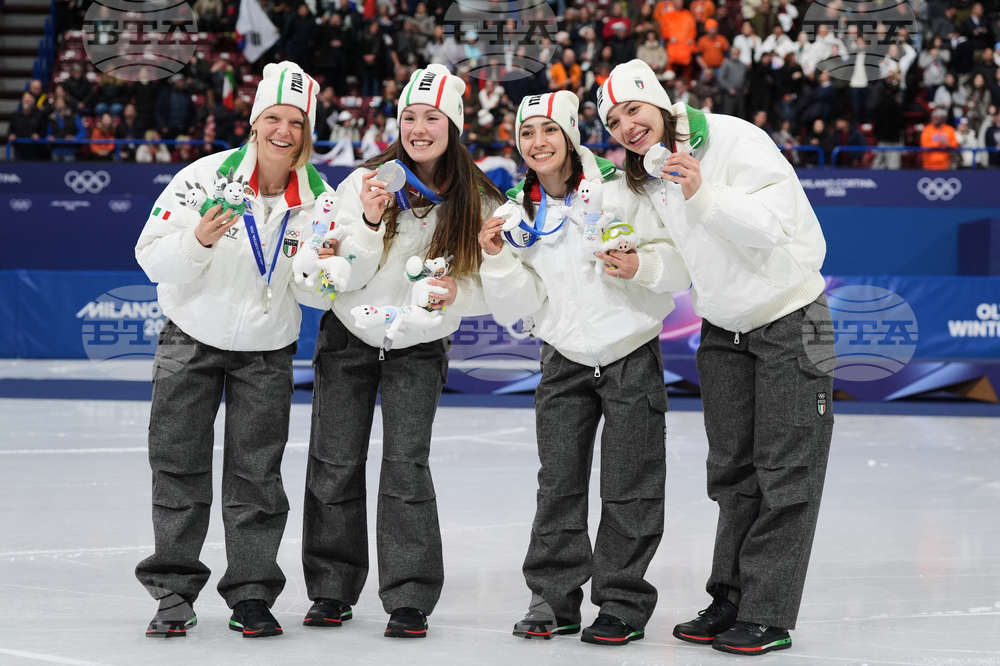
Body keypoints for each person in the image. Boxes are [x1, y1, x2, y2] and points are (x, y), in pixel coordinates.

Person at [599, 59, 834, 656]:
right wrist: (642, 266)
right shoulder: (648, 177)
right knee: (732, 475)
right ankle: (730, 595)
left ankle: (768, 611)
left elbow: (780, 228)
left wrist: (703, 190)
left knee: (786, 473)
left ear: (658, 102)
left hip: (791, 317)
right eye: (614, 120)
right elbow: (684, 263)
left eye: (633, 110)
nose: (626, 126)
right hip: (723, 330)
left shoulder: (735, 139)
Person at [134, 62, 365, 640]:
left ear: (307, 132)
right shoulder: (202, 178)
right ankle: (172, 592)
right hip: (189, 341)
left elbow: (314, 293)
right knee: (178, 468)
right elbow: (150, 256)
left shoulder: (321, 201)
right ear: (254, 120)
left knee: (257, 478)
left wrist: (325, 271)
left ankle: (253, 592)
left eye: (294, 122)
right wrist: (199, 239)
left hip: (266, 354)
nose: (282, 131)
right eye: (273, 118)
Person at [477, 90, 690, 646]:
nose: (538, 143)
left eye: (549, 130)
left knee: (631, 484)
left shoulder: (623, 191)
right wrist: (498, 261)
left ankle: (621, 602)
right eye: (527, 133)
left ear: (570, 135)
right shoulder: (514, 213)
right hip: (563, 358)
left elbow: (677, 264)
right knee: (558, 483)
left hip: (630, 351)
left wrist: (640, 264)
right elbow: (516, 306)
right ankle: (552, 598)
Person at [301, 64, 505, 639]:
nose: (419, 128)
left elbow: (494, 281)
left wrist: (455, 294)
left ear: (454, 125)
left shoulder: (479, 198)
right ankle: (331, 589)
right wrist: (368, 218)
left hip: (418, 345)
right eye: (410, 117)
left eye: (432, 118)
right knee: (334, 462)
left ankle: (409, 596)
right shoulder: (368, 180)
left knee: (406, 467)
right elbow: (335, 265)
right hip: (349, 338)